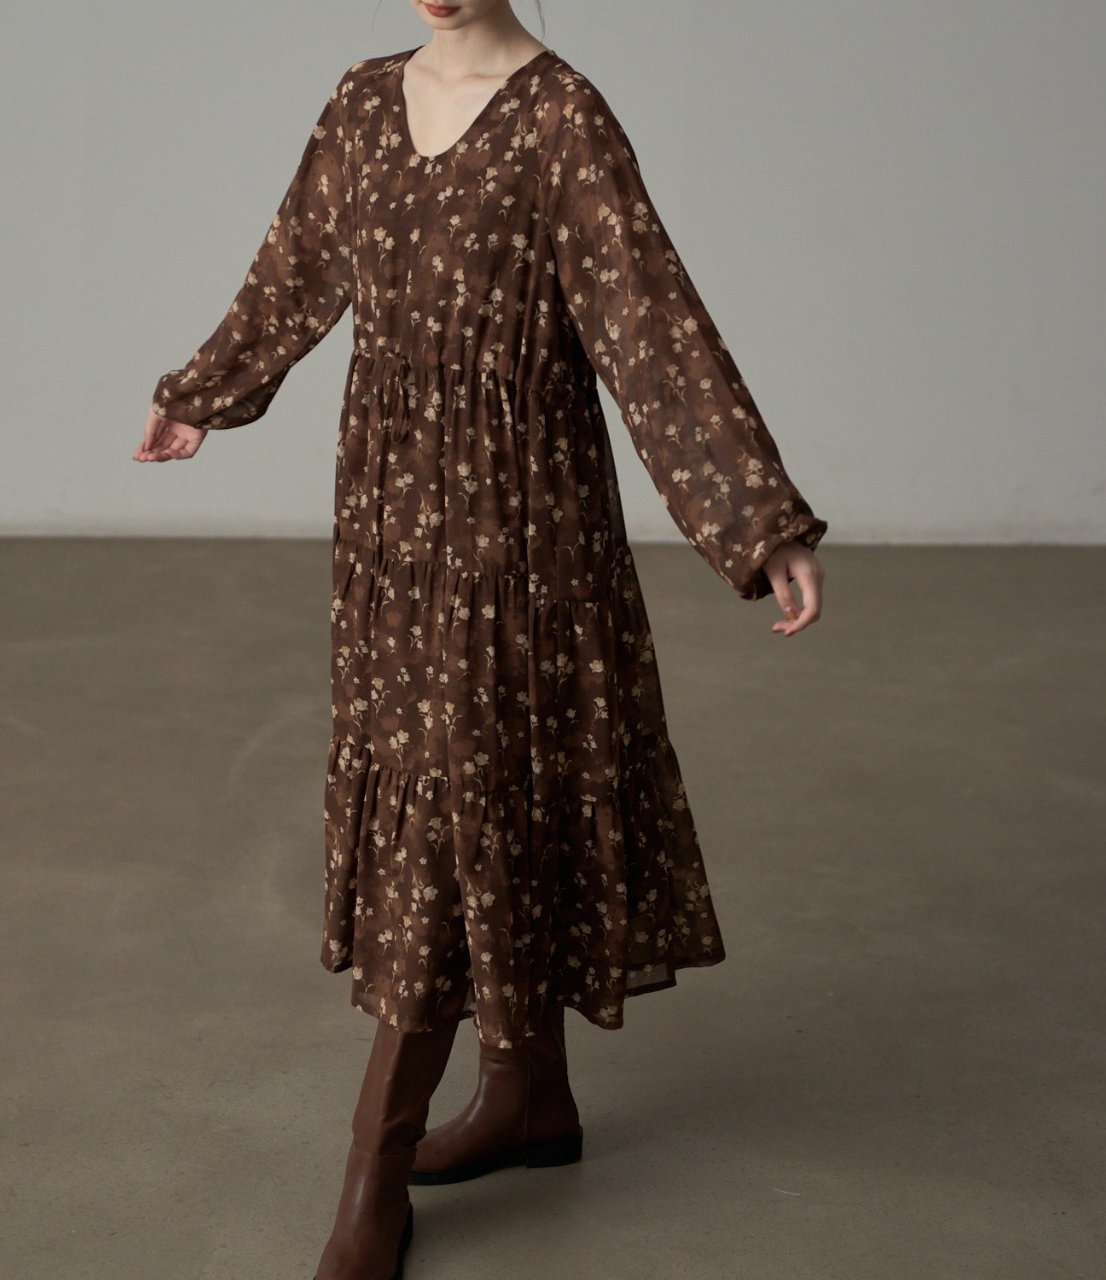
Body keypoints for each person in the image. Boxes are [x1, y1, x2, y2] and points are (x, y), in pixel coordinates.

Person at [135, 2, 826, 1275]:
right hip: (389, 524)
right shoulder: (359, 101)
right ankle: (527, 1097)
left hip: (520, 527)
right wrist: (204, 394)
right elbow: (296, 265)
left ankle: (372, 1165)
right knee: (482, 793)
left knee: (465, 809)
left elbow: (650, 330)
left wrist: (756, 522)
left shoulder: (563, 118)